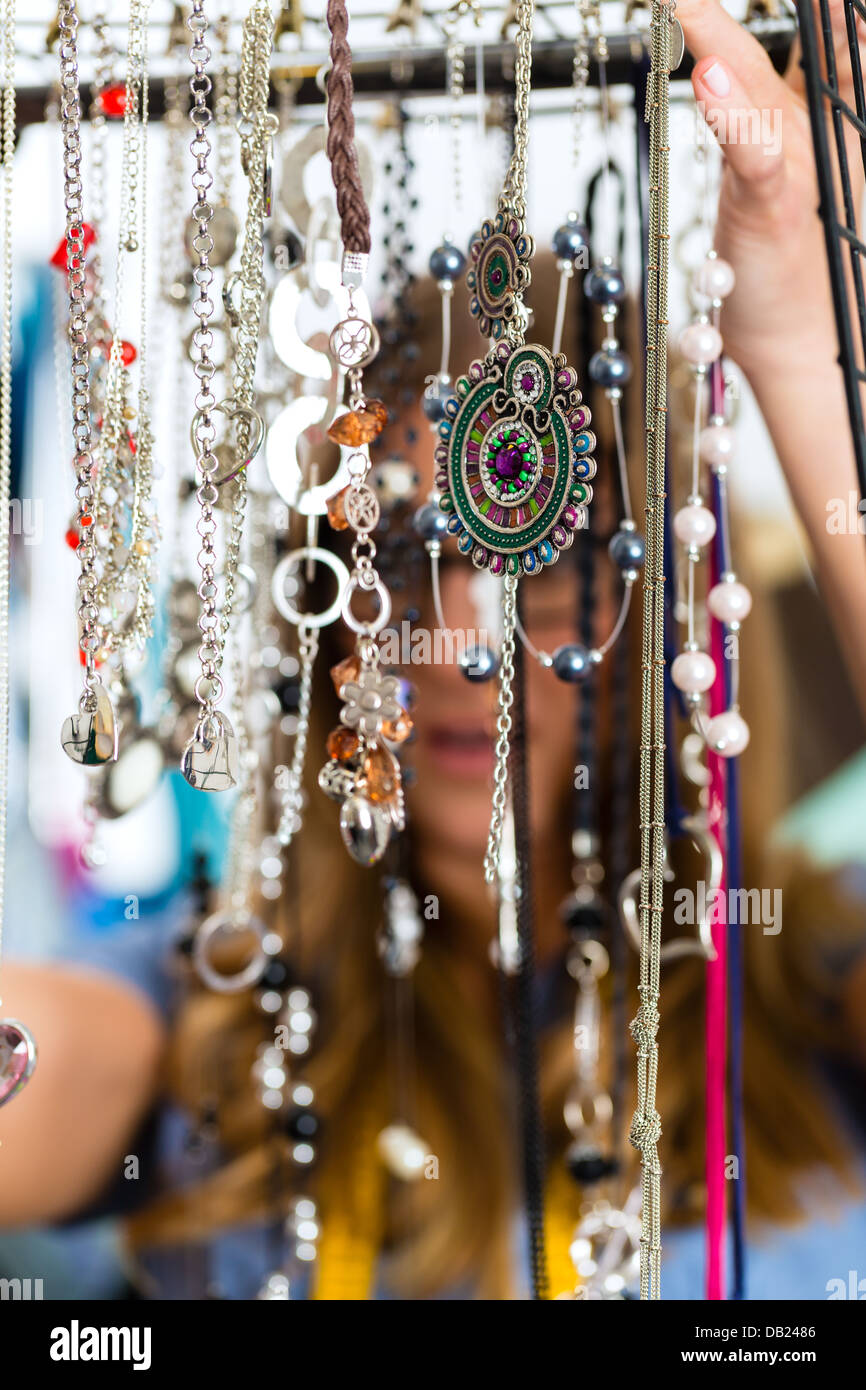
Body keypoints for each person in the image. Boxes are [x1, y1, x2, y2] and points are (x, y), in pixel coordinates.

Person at [1, 0, 865, 1300]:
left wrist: (804, 350)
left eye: (550, 559)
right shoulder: (208, 1021)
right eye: (399, 558)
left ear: (666, 603)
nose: (464, 644)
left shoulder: (815, 985)